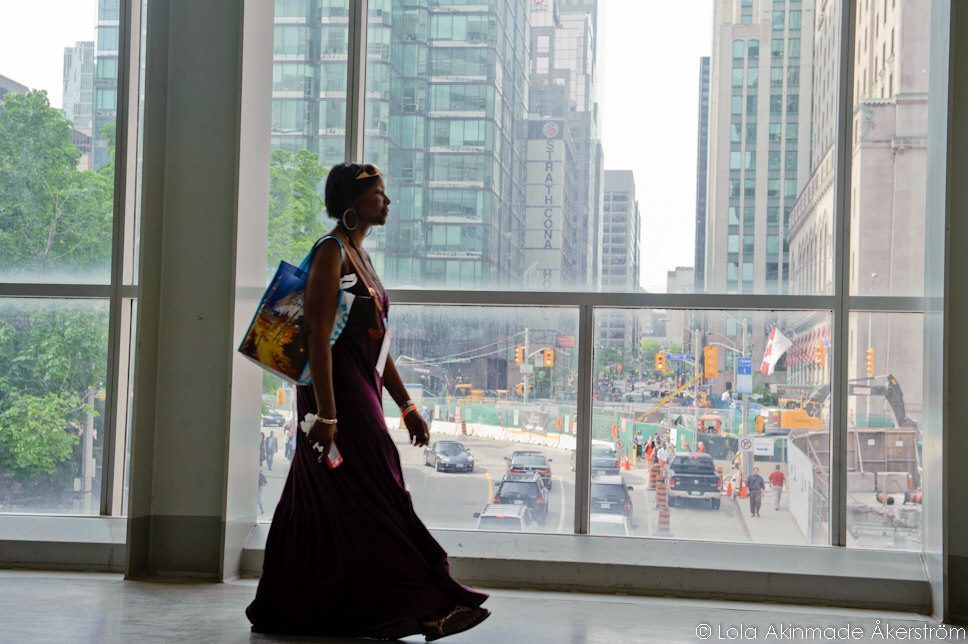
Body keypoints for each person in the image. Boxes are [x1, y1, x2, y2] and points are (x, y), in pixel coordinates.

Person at [246, 163, 489, 640]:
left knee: (320, 493)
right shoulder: (331, 251)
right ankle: (430, 602)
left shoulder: (361, 256)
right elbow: (316, 335)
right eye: (378, 193)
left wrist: (407, 405)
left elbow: (377, 342)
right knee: (381, 488)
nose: (387, 201)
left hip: (362, 386)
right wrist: (327, 413)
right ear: (352, 203)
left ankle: (292, 605)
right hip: (338, 395)